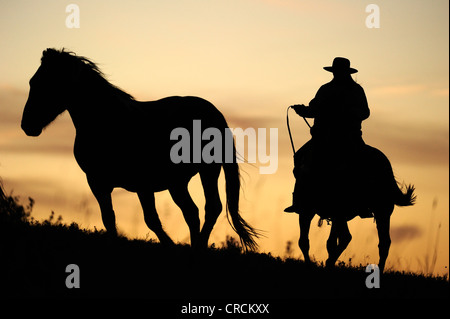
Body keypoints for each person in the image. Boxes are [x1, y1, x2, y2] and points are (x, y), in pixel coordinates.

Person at [284, 57, 370, 213]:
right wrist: (302, 110)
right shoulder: (325, 89)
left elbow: (365, 112)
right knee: (299, 157)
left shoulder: (355, 90)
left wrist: (345, 114)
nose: (337, 74)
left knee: (360, 163)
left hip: (348, 138)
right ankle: (299, 200)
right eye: (336, 71)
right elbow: (314, 110)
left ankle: (363, 201)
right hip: (322, 138)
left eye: (339, 71)